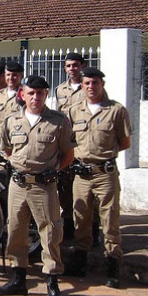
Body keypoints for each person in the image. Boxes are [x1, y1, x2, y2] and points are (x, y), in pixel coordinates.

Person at [0, 75, 74, 296]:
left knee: (50, 234)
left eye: (40, 93)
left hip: (44, 186)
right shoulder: (12, 121)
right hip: (18, 185)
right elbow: (7, 150)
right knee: (16, 230)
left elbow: (68, 155)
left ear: (46, 94)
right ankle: (18, 279)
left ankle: (52, 283)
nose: (35, 97)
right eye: (31, 93)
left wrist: (50, 171)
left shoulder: (58, 122)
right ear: (23, 94)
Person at [64, 67, 131, 288]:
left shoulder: (116, 110)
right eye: (87, 84)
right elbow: (69, 140)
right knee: (80, 218)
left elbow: (124, 142)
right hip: (81, 175)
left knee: (109, 220)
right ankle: (80, 260)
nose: (91, 87)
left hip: (105, 174)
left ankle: (112, 264)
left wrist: (101, 157)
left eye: (95, 83)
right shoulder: (74, 110)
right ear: (81, 86)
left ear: (102, 85)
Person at [55, 53, 87, 239]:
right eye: (68, 66)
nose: (72, 68)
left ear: (82, 66)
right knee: (65, 186)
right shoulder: (60, 90)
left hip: (83, 143)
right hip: (66, 143)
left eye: (75, 65)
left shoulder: (89, 86)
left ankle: (91, 225)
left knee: (84, 188)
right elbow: (59, 117)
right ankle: (68, 222)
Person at [0, 61, 24, 140]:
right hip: (0, 140)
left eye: (14, 75)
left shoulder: (26, 94)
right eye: (8, 75)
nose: (10, 78)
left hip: (17, 139)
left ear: (21, 76)